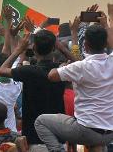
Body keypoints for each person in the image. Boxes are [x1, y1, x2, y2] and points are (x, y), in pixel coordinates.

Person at [36, 20, 113, 152]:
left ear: (86, 45)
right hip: (109, 133)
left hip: (85, 130)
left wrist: (63, 67)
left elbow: (52, 76)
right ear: (105, 43)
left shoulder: (80, 67)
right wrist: (106, 24)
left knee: (41, 121)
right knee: (97, 144)